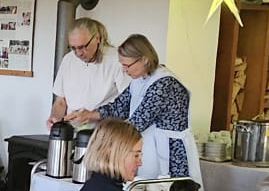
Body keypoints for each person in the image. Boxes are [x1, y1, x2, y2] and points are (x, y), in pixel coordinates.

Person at [74, 34, 192, 179]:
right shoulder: (140, 79)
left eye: (127, 65)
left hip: (170, 153)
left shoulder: (163, 84)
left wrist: (102, 140)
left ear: (144, 59)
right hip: (148, 146)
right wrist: (89, 115)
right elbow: (120, 107)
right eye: (122, 64)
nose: (124, 70)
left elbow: (138, 122)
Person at [47, 17, 128, 127]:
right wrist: (55, 118)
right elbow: (61, 101)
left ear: (97, 38)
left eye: (83, 47)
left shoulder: (116, 59)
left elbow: (128, 101)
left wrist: (91, 115)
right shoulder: (68, 59)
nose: (78, 53)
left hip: (104, 132)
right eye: (73, 48)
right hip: (72, 131)